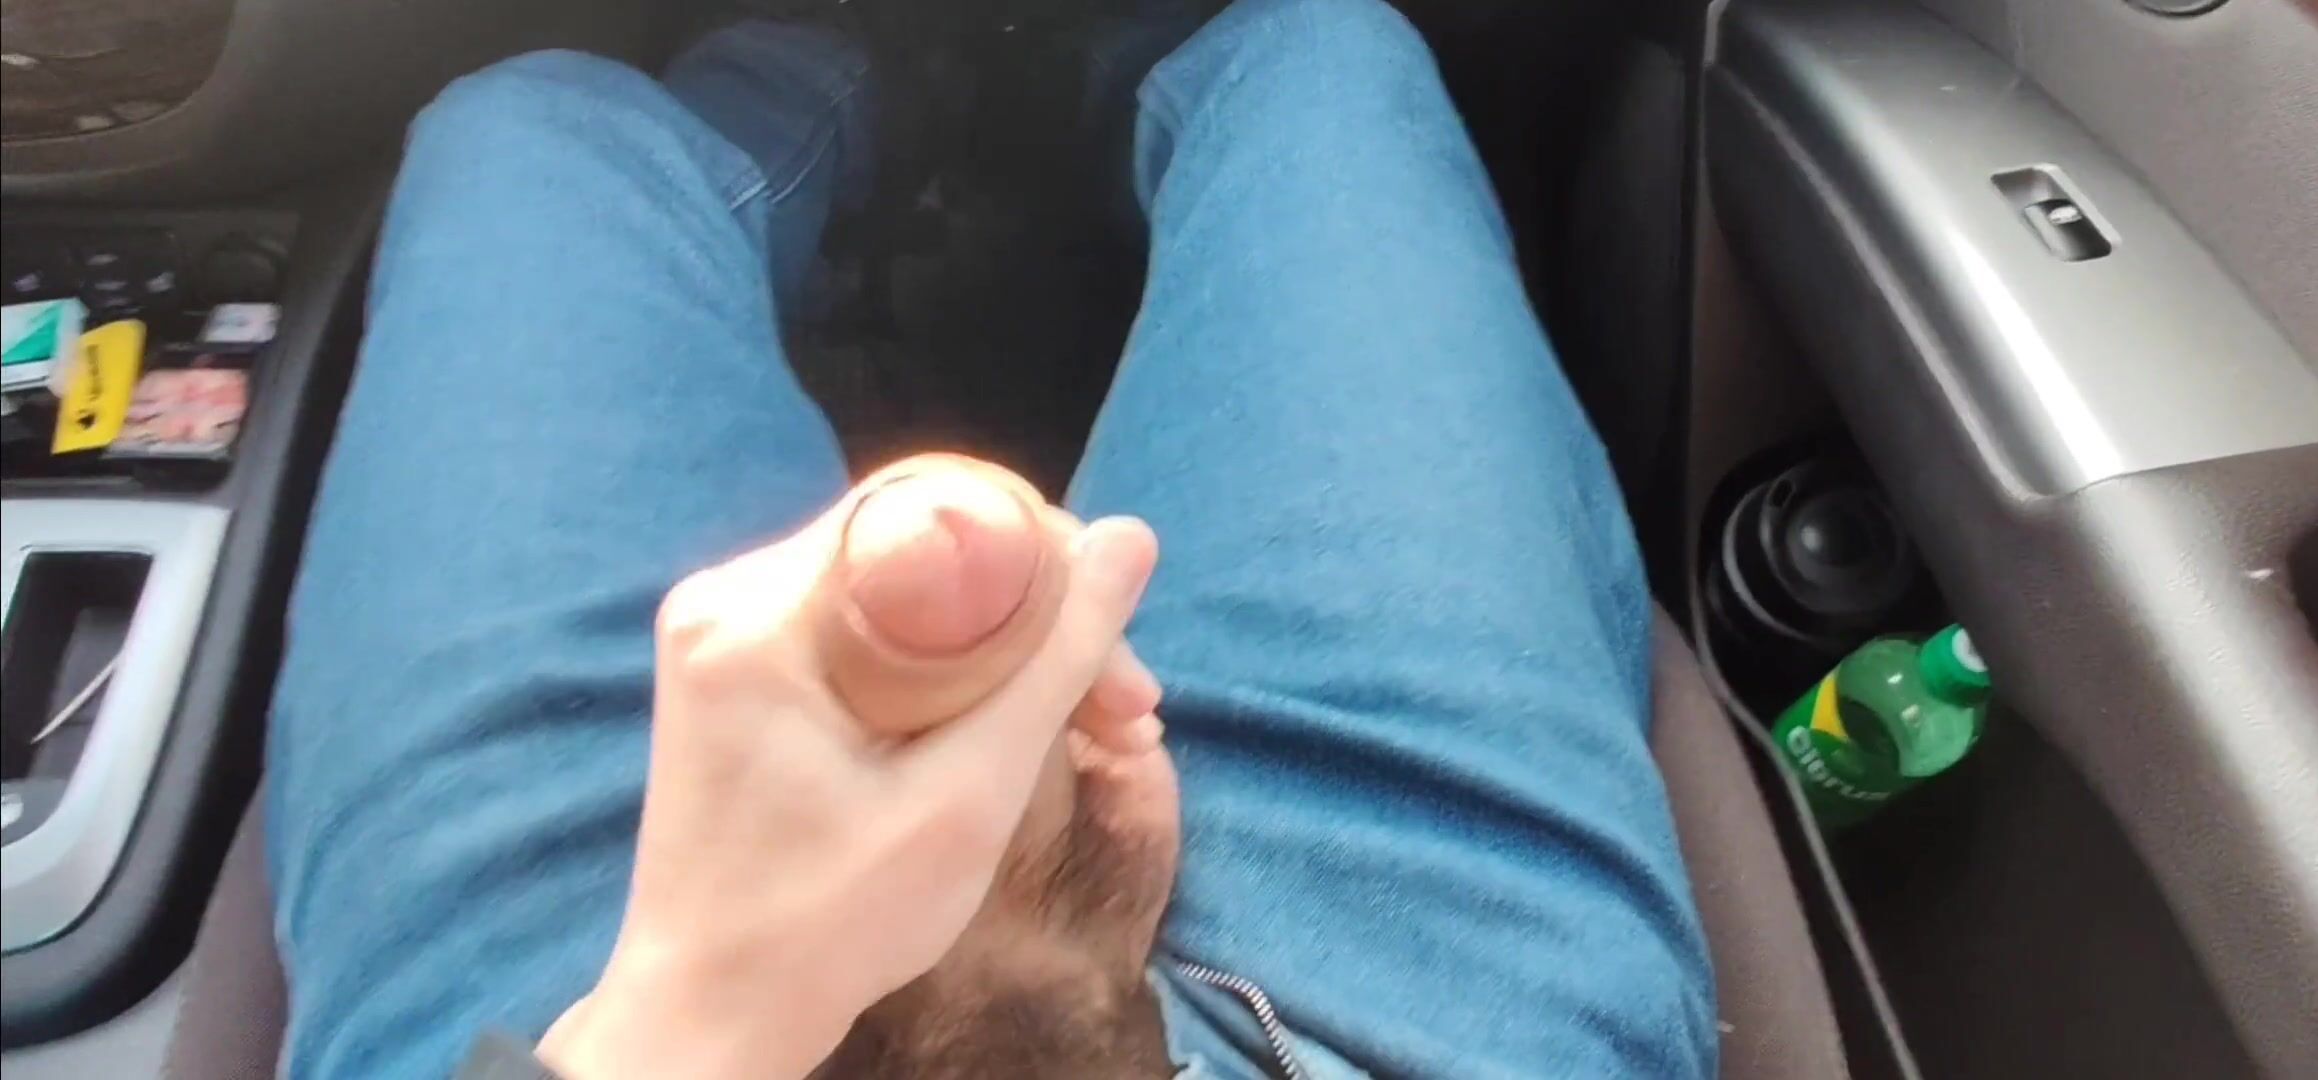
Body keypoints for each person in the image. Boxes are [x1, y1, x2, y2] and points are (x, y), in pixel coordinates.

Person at [264, 0, 1718, 1076]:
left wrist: (685, 1021)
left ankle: (842, 57)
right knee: (1315, 61)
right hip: (1366, 1025)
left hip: (602, 1034)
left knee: (536, 135)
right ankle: (1083, 72)